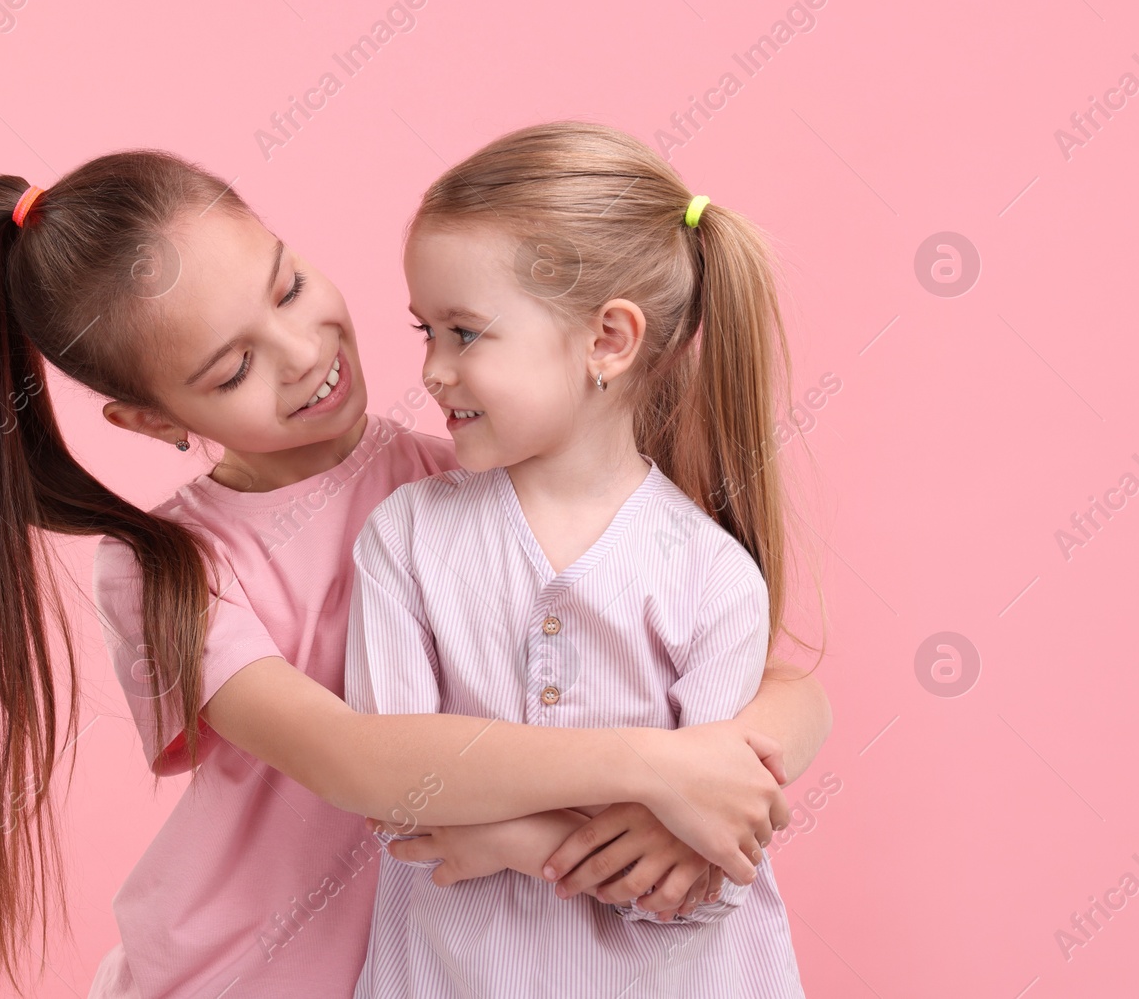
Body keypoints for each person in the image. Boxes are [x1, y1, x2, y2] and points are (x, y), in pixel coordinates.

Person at [0, 148, 831, 997]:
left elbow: (783, 685)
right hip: (247, 975)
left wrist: (714, 785)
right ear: (156, 422)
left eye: (289, 286)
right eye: (235, 367)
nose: (303, 352)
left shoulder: (464, 483)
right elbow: (354, 758)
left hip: (441, 965)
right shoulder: (169, 568)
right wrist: (654, 776)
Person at [348, 121, 813, 997]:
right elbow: (394, 783)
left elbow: (703, 871)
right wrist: (579, 827)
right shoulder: (406, 537)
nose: (433, 370)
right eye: (425, 330)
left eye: (465, 332)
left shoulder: (711, 577)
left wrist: (504, 839)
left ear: (608, 339)